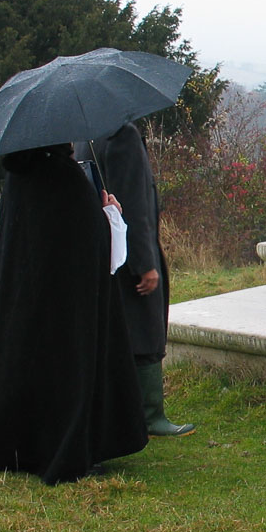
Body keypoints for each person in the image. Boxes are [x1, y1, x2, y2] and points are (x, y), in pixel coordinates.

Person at [0, 144, 148, 484]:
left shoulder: (18, 178)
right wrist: (108, 213)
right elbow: (89, 243)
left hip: (26, 303)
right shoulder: (63, 177)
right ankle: (66, 450)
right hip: (68, 305)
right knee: (66, 369)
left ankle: (19, 449)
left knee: (26, 363)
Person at [78, 123, 195, 437]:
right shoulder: (122, 136)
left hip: (107, 249)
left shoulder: (86, 135)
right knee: (145, 330)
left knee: (120, 332)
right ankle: (150, 416)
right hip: (128, 251)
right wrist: (145, 264)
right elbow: (134, 205)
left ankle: (124, 413)